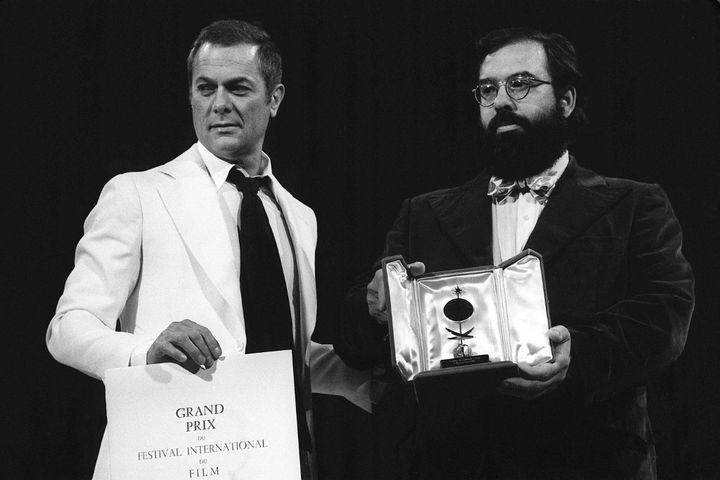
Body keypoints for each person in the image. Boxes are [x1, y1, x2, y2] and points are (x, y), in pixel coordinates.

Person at [335, 27, 694, 479]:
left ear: (565, 100)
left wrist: (576, 356)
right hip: (452, 463)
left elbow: (664, 317)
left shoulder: (634, 204)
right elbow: (357, 342)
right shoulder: (423, 213)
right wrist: (374, 309)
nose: (501, 100)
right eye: (488, 89)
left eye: (520, 84)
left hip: (588, 460)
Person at [46, 19, 368, 480]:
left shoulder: (298, 215)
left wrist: (379, 377)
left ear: (274, 98)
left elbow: (277, 348)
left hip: (276, 457)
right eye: (205, 88)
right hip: (168, 457)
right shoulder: (138, 193)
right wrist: (144, 352)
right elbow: (67, 327)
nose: (219, 105)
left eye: (238, 88)